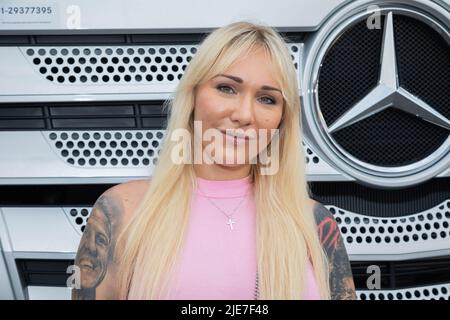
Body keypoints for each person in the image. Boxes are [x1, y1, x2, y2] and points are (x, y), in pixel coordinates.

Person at [72, 21, 356, 300]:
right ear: (193, 95)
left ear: (283, 119)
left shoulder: (314, 222)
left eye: (267, 99)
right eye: (226, 88)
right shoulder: (121, 211)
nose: (244, 114)